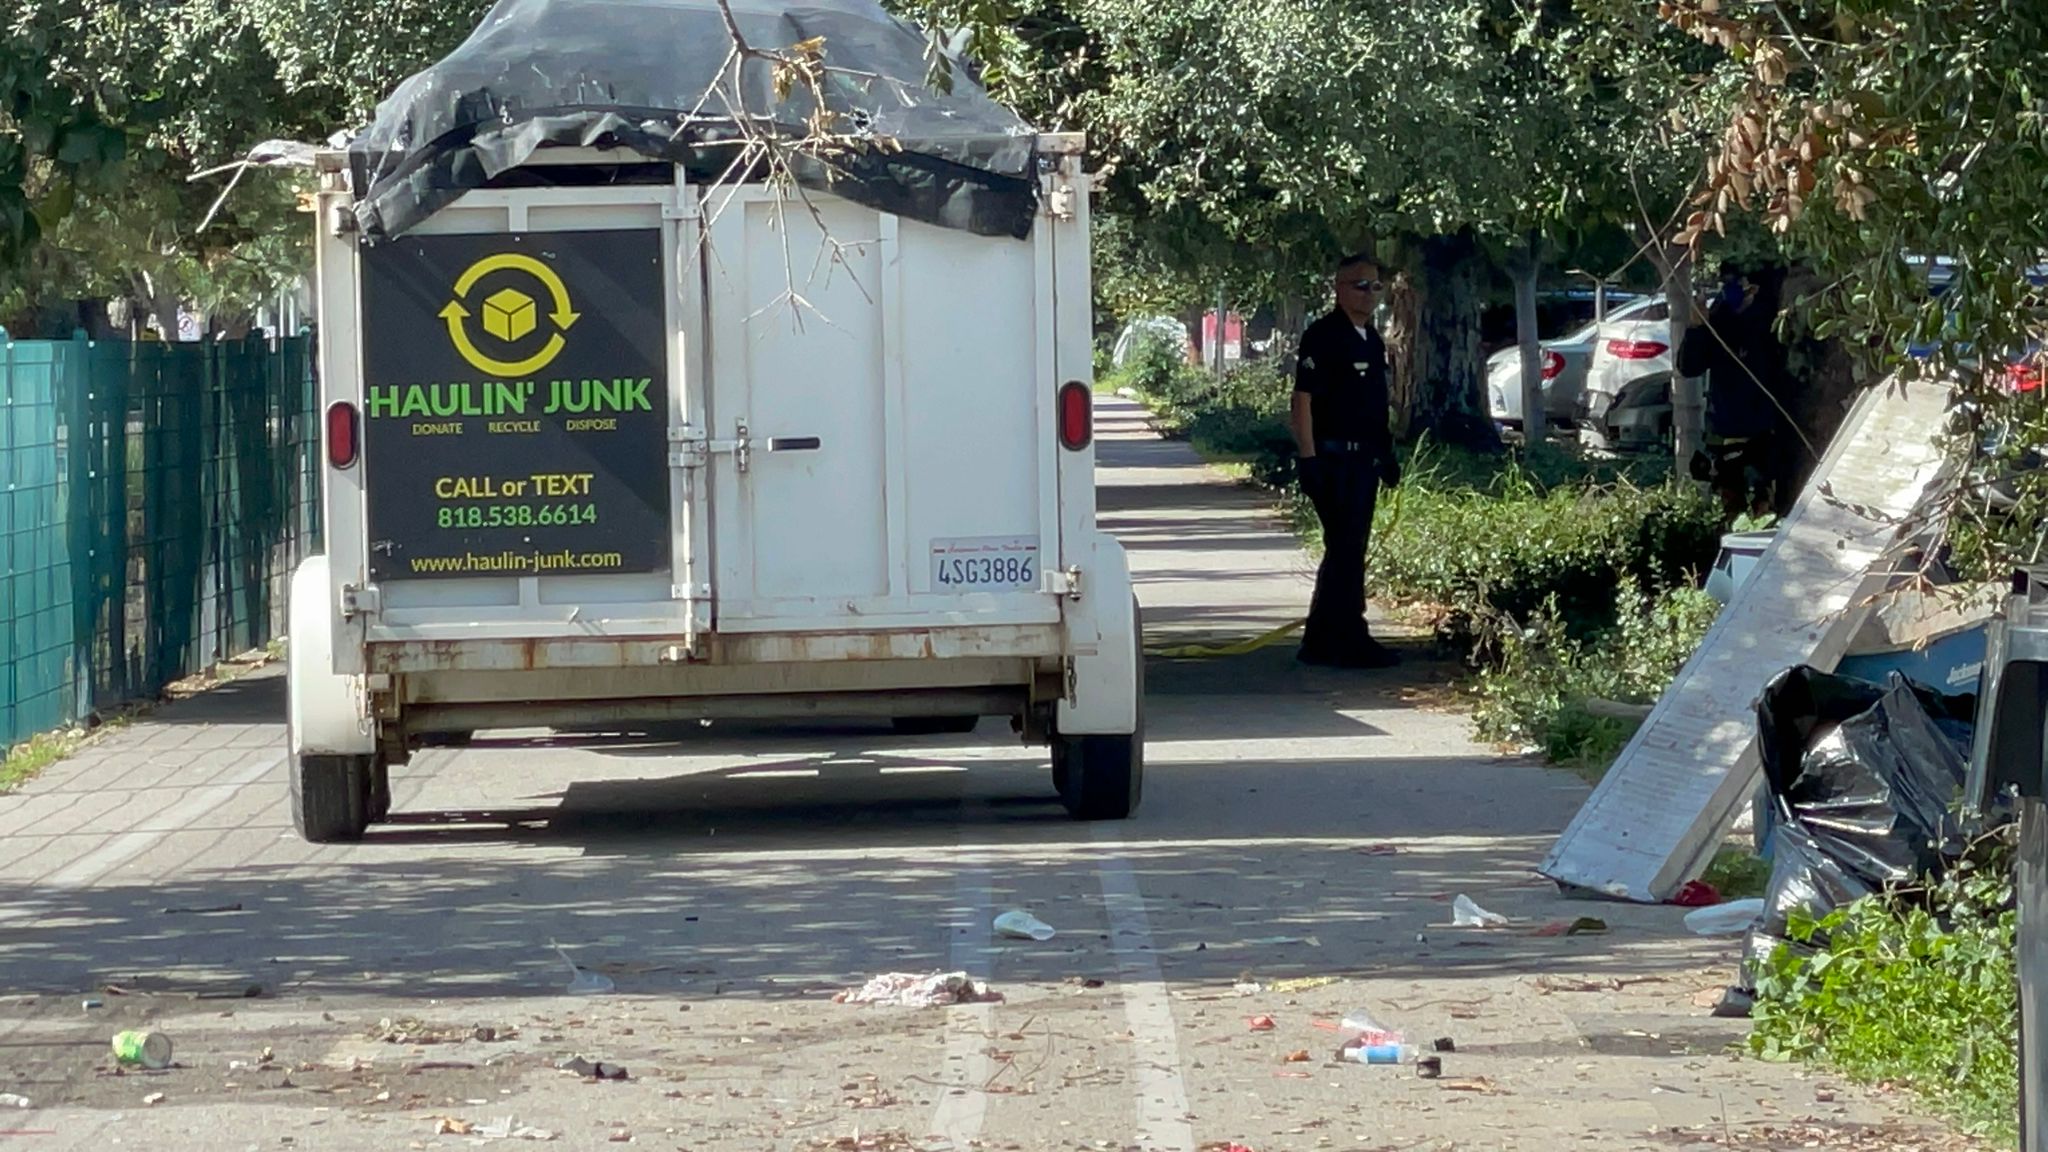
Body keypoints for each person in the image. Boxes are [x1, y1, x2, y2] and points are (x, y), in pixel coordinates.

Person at [1290, 252, 1401, 669]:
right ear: (1338, 289)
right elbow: (1303, 399)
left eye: (1375, 285)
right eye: (1360, 285)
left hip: (1364, 461)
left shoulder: (1371, 340)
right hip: (1332, 460)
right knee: (1345, 549)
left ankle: (1322, 639)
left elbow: (1374, 405)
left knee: (1347, 549)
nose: (1369, 293)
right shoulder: (1324, 336)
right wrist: (1308, 459)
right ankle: (1349, 636)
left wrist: (1386, 452)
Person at [1678, 260, 1794, 521]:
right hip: (1725, 433)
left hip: (1763, 434)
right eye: (1727, 283)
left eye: (1737, 283)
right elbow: (1689, 367)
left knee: (1766, 508)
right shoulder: (1721, 316)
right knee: (1731, 514)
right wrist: (1697, 328)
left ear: (1753, 288)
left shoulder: (1770, 319)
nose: (1731, 290)